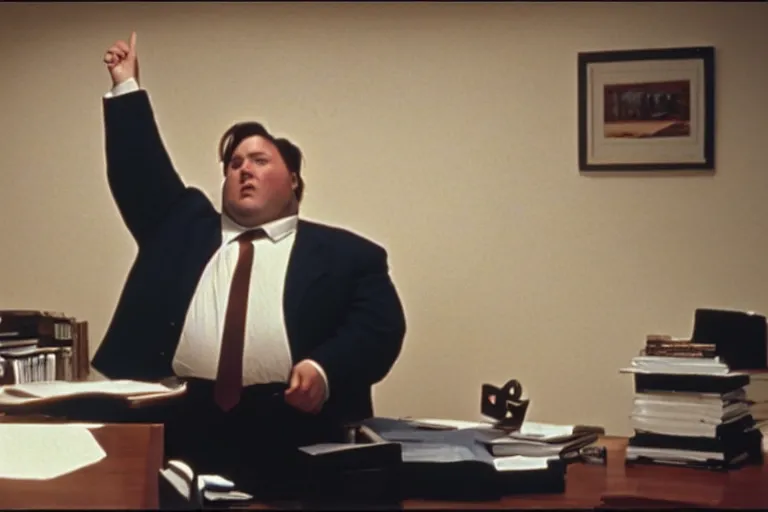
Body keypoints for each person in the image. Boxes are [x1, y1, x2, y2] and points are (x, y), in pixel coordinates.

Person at [91, 32, 407, 496]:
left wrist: (324, 369)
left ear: (294, 180)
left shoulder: (348, 254)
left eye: (260, 159)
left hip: (293, 431)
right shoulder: (181, 227)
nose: (243, 169)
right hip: (179, 424)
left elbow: (378, 329)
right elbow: (140, 173)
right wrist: (126, 87)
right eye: (235, 162)